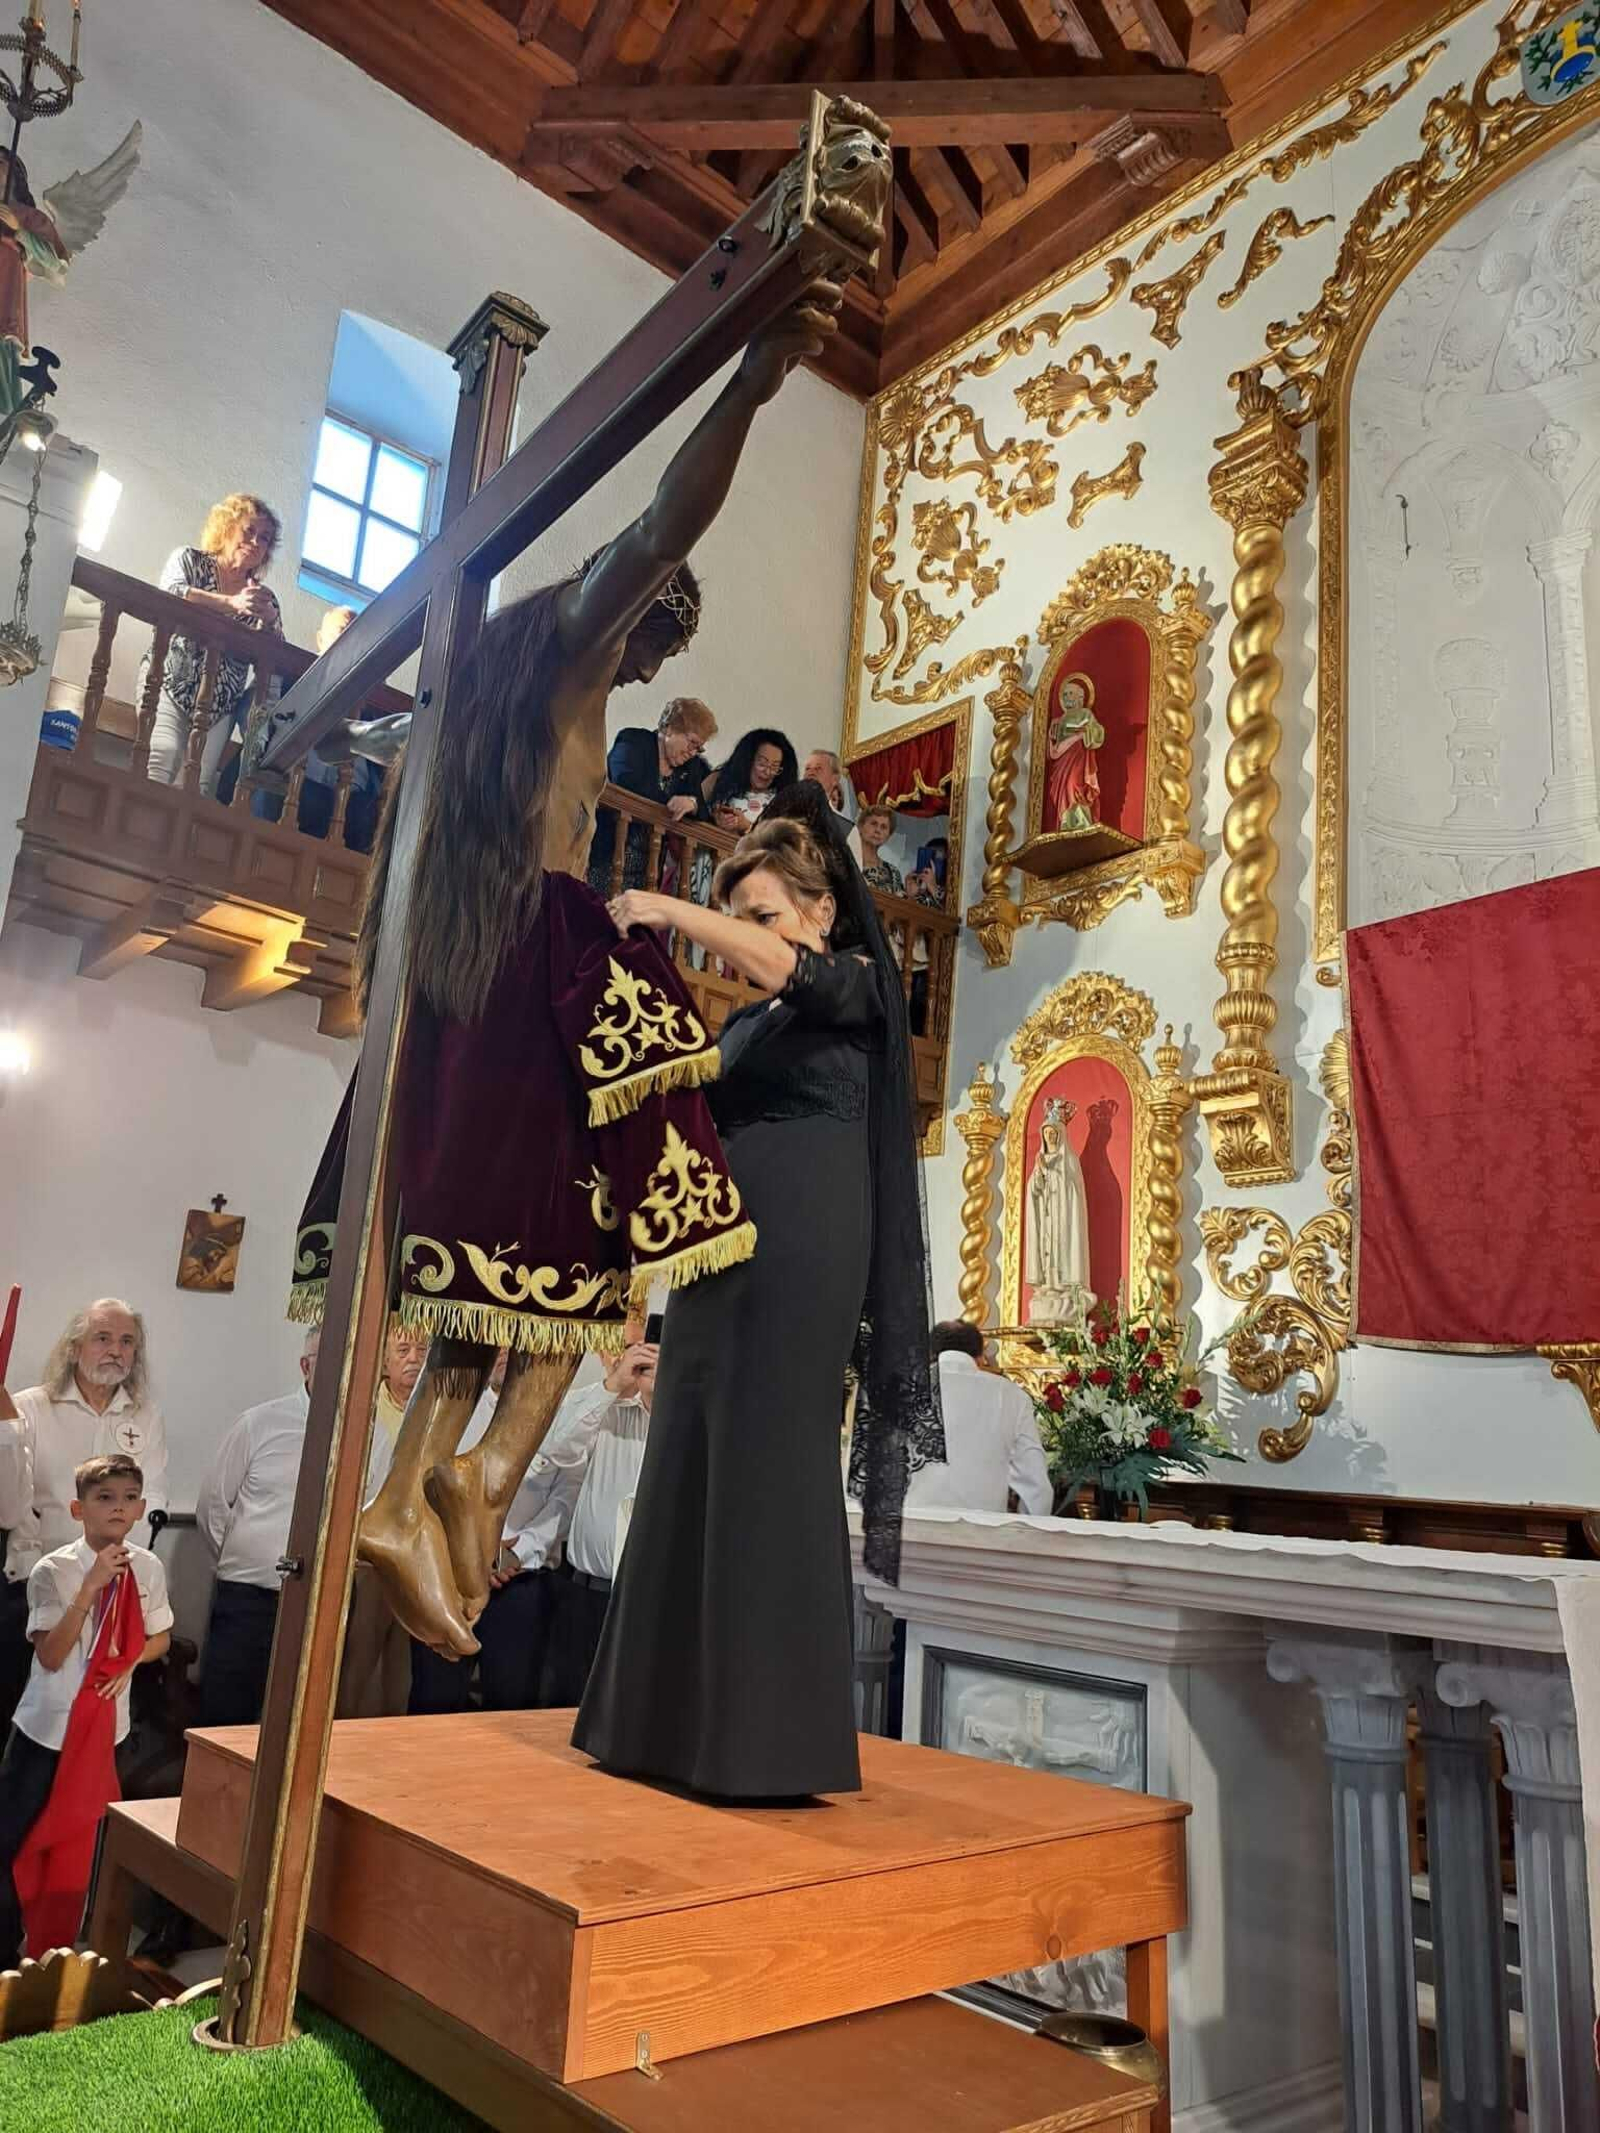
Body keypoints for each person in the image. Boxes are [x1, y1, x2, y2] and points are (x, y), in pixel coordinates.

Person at [290, 286, 838, 1663]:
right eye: (658, 636)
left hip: (446, 967)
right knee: (634, 1210)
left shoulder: (461, 685)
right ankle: (463, 1479)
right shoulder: (566, 646)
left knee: (503, 1251)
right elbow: (667, 522)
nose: (652, 663)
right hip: (530, 941)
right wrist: (756, 381)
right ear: (632, 611)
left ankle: (420, 1485)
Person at [573, 784, 943, 1799]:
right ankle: (661, 1728)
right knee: (689, 1446)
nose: (746, 936)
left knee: (768, 1451)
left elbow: (792, 973)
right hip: (714, 1250)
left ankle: (764, 1743)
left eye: (763, 914)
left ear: (819, 914)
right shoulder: (753, 1024)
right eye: (737, 915)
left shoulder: (862, 984)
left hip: (802, 1241)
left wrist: (669, 911)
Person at [0, 1454, 172, 1968]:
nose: (117, 1509)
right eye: (103, 1499)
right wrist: (91, 1587)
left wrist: (129, 1660)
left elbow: (159, 1636)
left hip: (105, 1733)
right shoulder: (53, 1571)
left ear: (141, 1507)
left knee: (81, 1841)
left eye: (127, 1499)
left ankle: (59, 1951)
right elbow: (51, 1655)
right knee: (14, 1838)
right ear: (78, 1509)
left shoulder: (149, 1567)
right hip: (46, 1732)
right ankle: (6, 1947)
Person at [195, 1326, 399, 1727]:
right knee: (226, 1715)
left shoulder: (375, 1436)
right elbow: (212, 1506)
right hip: (248, 1599)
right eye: (332, 1359)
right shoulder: (259, 1423)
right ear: (306, 1365)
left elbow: (369, 1512)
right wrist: (248, 1560)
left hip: (324, 1602)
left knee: (303, 1720)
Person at [0, 1300, 168, 1741]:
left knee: (90, 1727)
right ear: (75, 1348)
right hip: (35, 1587)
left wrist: (121, 1572)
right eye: (103, 1338)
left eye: (127, 1341)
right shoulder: (30, 1408)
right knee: (23, 1721)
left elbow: (151, 1502)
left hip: (113, 1591)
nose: (116, 1350)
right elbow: (13, 1505)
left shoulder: (144, 1417)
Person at [406, 1351, 569, 1716]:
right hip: (446, 1577)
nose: (506, 1356)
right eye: (500, 1344)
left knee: (512, 1704)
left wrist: (516, 1553)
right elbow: (420, 1485)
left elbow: (564, 1499)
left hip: (520, 1580)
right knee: (435, 1699)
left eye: (518, 1346)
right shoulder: (451, 1403)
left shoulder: (558, 1415)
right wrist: (472, 1555)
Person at [533, 1326, 657, 1707]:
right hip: (582, 1597)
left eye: (644, 1347)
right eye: (622, 1348)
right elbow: (554, 1448)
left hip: (644, 1605)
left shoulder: (682, 1416)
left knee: (631, 1711)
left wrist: (659, 1400)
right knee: (560, 1712)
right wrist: (612, 1387)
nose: (632, 1356)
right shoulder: (595, 1406)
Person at [145, 495, 284, 790]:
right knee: (163, 756)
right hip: (170, 682)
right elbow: (171, 591)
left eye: (265, 538)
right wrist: (230, 603)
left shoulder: (264, 598)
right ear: (227, 527)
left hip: (220, 705)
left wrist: (270, 620)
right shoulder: (190, 560)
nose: (255, 542)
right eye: (249, 531)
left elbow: (275, 659)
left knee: (197, 783)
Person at [907, 1323, 1053, 1516]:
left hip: (911, 1530)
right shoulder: (1012, 1396)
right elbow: (1036, 1487)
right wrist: (1024, 1538)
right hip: (982, 1535)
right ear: (980, 1356)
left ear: (930, 1353)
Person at [588, 697, 718, 894]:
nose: (693, 752)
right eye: (691, 742)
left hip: (647, 871)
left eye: (698, 747)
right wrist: (671, 804)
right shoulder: (633, 741)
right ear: (670, 728)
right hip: (607, 858)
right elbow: (627, 782)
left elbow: (702, 812)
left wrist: (692, 803)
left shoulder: (690, 767)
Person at [856, 803, 904, 894]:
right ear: (860, 826)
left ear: (888, 836)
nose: (878, 830)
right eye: (874, 824)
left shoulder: (893, 873)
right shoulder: (845, 859)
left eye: (883, 827)